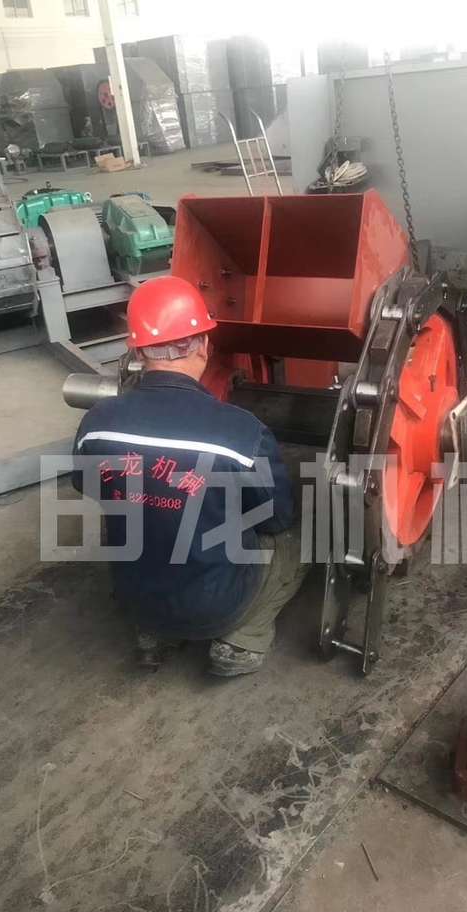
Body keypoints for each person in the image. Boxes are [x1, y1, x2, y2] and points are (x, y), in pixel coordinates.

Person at [73, 276, 307, 676]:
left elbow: (89, 486)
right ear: (203, 345)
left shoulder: (96, 424)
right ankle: (242, 638)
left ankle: (153, 632)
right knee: (298, 540)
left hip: (135, 601)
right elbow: (276, 518)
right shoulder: (242, 433)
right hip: (217, 606)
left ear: (138, 350)